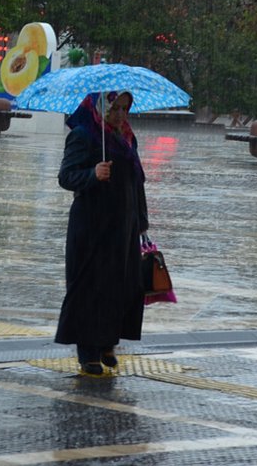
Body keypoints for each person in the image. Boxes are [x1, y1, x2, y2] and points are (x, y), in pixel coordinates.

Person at [55, 90, 149, 376]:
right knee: (90, 288)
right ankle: (88, 351)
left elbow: (137, 182)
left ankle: (108, 341)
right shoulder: (84, 135)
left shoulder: (127, 138)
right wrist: (92, 174)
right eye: (114, 109)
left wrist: (142, 221)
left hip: (124, 226)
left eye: (124, 109)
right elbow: (66, 176)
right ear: (100, 108)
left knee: (120, 286)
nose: (119, 115)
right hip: (92, 226)